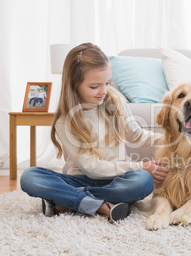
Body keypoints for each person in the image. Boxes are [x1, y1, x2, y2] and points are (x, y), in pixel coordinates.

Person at [20, 43, 169, 224]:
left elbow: (136, 135)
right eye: (94, 86)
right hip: (79, 178)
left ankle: (65, 202)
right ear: (74, 85)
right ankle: (100, 206)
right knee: (30, 177)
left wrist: (169, 140)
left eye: (107, 83)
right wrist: (140, 165)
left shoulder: (115, 100)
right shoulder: (65, 121)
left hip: (115, 179)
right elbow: (92, 168)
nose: (104, 91)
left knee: (143, 182)